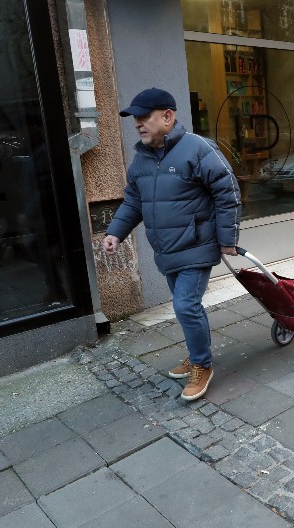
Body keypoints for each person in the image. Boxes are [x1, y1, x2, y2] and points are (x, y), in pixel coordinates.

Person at [103, 87, 241, 402]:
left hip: (197, 246)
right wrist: (115, 232)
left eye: (144, 117)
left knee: (185, 306)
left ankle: (202, 364)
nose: (138, 124)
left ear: (167, 117)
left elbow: (227, 191)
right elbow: (133, 202)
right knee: (186, 308)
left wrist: (227, 239)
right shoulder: (141, 160)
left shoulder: (197, 149)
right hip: (166, 251)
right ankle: (197, 354)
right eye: (134, 118)